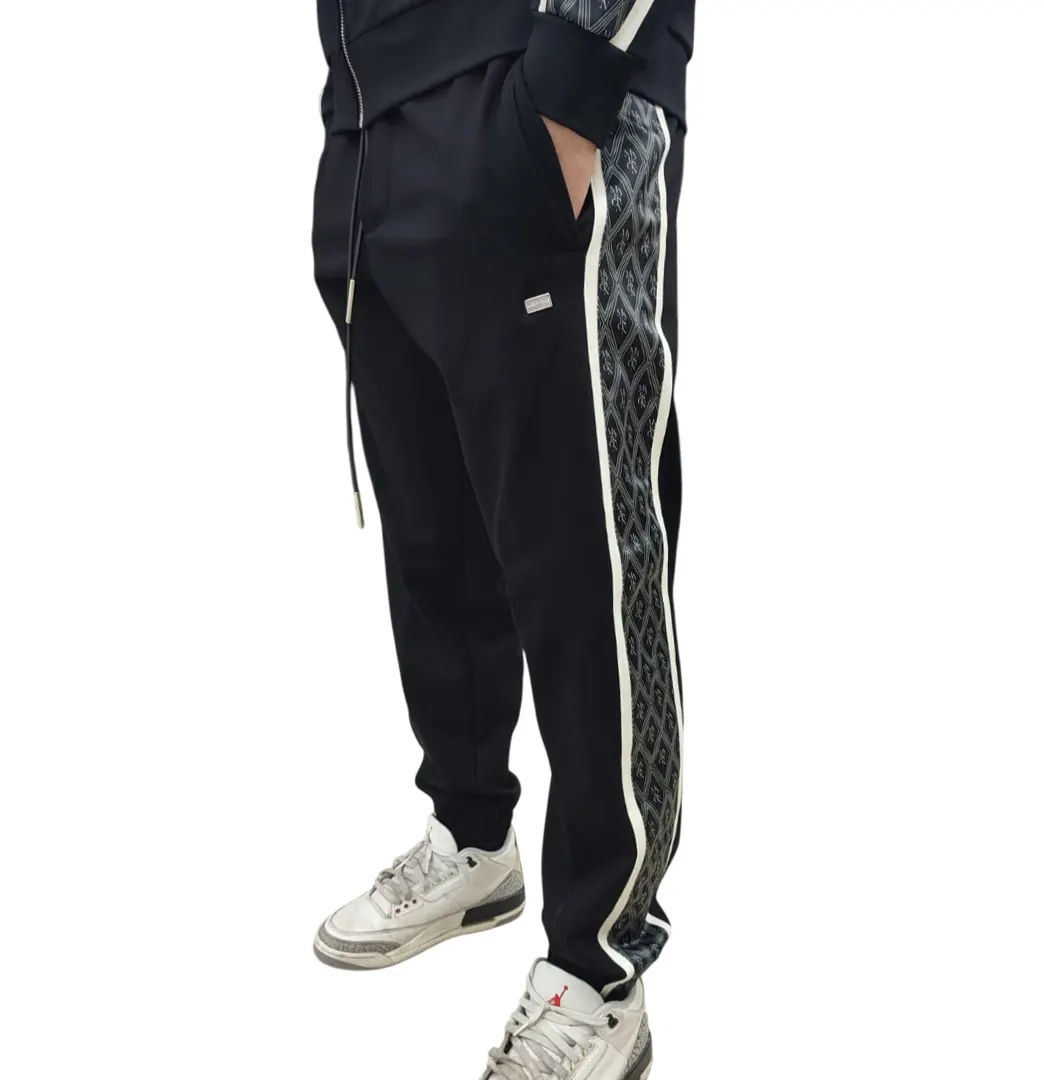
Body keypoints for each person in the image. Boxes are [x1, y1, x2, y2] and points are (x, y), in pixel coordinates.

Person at [311, 1, 694, 1075]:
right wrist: (351, 124)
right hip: (374, 120)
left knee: (587, 561)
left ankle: (599, 966)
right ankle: (473, 833)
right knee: (433, 532)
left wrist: (568, 94)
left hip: (533, 80)